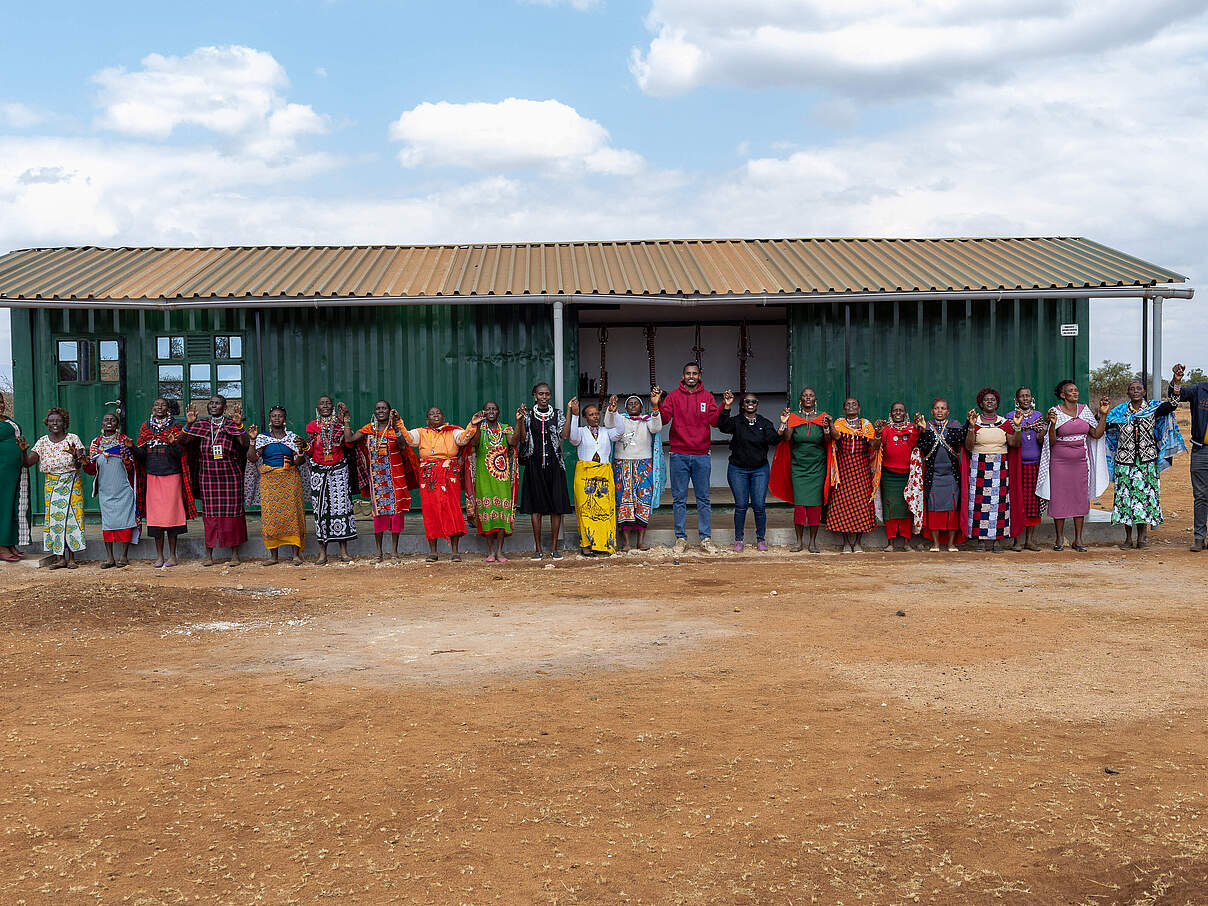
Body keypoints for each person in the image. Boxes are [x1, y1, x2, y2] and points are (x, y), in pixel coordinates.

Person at [1105, 379, 1184, 549]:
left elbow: (1172, 405)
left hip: (1147, 462)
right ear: (1128, 393)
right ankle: (1128, 538)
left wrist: (1177, 382)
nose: (1135, 391)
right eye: (1132, 389)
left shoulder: (1152, 409)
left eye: (1138, 388)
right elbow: (1104, 426)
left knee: (1144, 499)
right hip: (1124, 463)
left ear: (1144, 392)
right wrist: (1102, 414)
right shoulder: (1119, 411)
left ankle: (1141, 538)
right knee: (1125, 500)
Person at [1036, 380, 1109, 552]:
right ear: (1063, 395)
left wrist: (1103, 415)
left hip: (1081, 462)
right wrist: (1053, 425)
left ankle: (1078, 539)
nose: (1075, 393)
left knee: (1080, 498)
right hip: (1059, 463)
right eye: (1071, 391)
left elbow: (1096, 434)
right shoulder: (1055, 412)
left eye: (1076, 390)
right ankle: (1059, 539)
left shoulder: (1084, 411)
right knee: (1059, 498)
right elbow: (1050, 441)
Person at [401, 406, 482, 561]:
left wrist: (472, 424)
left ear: (443, 417)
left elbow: (464, 439)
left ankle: (455, 552)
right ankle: (433, 552)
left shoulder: (453, 431)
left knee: (452, 509)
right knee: (431, 511)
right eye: (432, 414)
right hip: (429, 476)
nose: (435, 415)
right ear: (427, 420)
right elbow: (409, 439)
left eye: (438, 413)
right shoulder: (421, 432)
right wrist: (399, 423)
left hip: (449, 474)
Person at [658, 362, 721, 554]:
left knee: (703, 499)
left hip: (702, 454)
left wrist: (724, 407)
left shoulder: (707, 397)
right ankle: (680, 538)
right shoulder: (674, 396)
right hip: (679, 454)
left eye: (694, 373)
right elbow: (664, 419)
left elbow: (714, 421)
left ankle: (705, 538)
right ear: (683, 376)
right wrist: (656, 404)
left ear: (699, 376)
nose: (691, 376)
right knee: (679, 499)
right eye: (688, 373)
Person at [181, 395, 250, 565]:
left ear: (224, 408)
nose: (213, 405)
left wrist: (239, 425)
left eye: (217, 403)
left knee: (233, 514)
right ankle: (209, 554)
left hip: (230, 476)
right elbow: (182, 441)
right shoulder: (202, 424)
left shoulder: (231, 424)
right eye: (211, 403)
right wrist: (188, 424)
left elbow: (245, 444)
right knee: (210, 515)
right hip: (208, 476)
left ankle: (235, 554)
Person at [351, 401, 418, 561]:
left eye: (384, 408)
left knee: (396, 514)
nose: (381, 411)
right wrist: (346, 418)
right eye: (378, 408)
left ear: (389, 411)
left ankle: (394, 552)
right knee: (378, 515)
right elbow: (350, 440)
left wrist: (396, 428)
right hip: (377, 480)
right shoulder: (368, 430)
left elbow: (403, 446)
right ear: (374, 412)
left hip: (394, 479)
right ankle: (379, 553)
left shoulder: (394, 430)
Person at [19, 407, 86, 568]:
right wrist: (23, 452)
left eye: (58, 420)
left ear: (64, 423)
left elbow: (80, 464)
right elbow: (27, 463)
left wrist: (75, 455)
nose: (55, 423)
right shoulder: (42, 442)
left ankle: (72, 558)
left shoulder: (73, 438)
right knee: (56, 519)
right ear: (47, 424)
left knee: (72, 518)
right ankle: (60, 558)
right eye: (51, 421)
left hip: (72, 482)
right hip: (52, 485)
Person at [133, 398, 196, 567]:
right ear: (152, 408)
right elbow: (141, 454)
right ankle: (159, 556)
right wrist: (132, 447)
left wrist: (174, 443)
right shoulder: (146, 427)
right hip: (152, 476)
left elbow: (180, 454)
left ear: (168, 409)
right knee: (156, 519)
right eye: (156, 405)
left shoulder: (175, 426)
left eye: (163, 405)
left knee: (171, 517)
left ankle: (173, 556)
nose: (159, 407)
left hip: (171, 476)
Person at [717, 390, 780, 552]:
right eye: (747, 401)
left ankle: (761, 539)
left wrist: (782, 426)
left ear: (757, 405)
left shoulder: (764, 423)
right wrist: (727, 406)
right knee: (741, 505)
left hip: (760, 470)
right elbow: (722, 426)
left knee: (759, 505)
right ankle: (739, 540)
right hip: (738, 469)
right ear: (742, 405)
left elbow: (774, 439)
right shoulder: (737, 421)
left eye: (754, 402)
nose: (750, 404)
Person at [770, 387, 831, 554]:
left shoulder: (822, 417)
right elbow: (787, 439)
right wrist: (785, 422)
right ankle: (798, 542)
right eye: (805, 395)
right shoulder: (794, 417)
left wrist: (827, 427)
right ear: (801, 400)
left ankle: (812, 542)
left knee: (815, 506)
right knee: (800, 506)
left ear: (815, 400)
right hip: (799, 468)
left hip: (817, 467)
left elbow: (827, 440)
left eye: (811, 395)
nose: (808, 398)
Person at [963, 388, 1024, 552]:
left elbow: (1015, 443)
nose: (989, 402)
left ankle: (997, 540)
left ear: (997, 403)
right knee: (979, 503)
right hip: (979, 466)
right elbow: (968, 446)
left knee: (999, 503)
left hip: (999, 466)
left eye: (993, 400)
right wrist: (971, 426)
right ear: (981, 403)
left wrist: (1018, 427)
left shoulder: (1005, 422)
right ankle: (981, 540)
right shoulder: (974, 421)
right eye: (986, 400)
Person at [246, 406, 308, 566]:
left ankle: (295, 555)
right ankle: (273, 556)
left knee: (293, 515)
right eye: (274, 416)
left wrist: (300, 450)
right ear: (270, 419)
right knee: (271, 517)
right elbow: (252, 458)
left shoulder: (292, 437)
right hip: (269, 481)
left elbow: (299, 462)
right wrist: (252, 441)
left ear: (284, 419)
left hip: (290, 479)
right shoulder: (262, 438)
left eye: (280, 416)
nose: (277, 418)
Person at [517, 382, 572, 560]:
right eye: (541, 394)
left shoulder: (557, 414)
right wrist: (520, 420)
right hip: (534, 465)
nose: (544, 397)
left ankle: (554, 548)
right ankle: (538, 549)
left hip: (555, 465)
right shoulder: (527, 415)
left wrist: (569, 412)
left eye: (547, 394)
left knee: (557, 507)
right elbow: (523, 439)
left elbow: (564, 435)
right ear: (535, 395)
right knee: (536, 508)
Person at [604, 392, 664, 552]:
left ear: (641, 407)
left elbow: (657, 427)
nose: (632, 406)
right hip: (622, 464)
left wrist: (655, 407)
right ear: (625, 407)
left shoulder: (647, 420)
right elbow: (608, 424)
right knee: (624, 501)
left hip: (644, 465)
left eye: (635, 403)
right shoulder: (620, 419)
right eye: (629, 404)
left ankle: (640, 542)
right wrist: (611, 410)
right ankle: (626, 543)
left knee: (643, 500)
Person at [565, 397, 624, 556]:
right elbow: (573, 439)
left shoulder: (606, 431)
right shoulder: (581, 432)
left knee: (604, 511)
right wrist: (574, 415)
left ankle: (603, 544)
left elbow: (620, 431)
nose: (595, 416)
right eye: (591, 415)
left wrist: (615, 412)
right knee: (586, 510)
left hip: (603, 475)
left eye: (597, 413)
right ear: (585, 418)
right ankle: (586, 545)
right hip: (585, 477)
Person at [305, 395, 357, 564]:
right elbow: (310, 451)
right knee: (320, 511)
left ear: (333, 407)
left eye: (328, 403)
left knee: (341, 509)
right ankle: (322, 553)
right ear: (317, 408)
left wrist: (346, 419)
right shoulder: (312, 426)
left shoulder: (340, 425)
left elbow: (349, 443)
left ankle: (344, 552)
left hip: (339, 471)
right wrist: (303, 446)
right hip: (319, 473)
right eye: (322, 404)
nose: (325, 406)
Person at [467, 400, 520, 563]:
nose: (491, 411)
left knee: (502, 513)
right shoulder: (480, 429)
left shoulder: (505, 428)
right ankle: (490, 551)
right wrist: (476, 425)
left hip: (502, 478)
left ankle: (500, 551)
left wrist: (518, 421)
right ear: (483, 412)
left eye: (494, 409)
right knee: (487, 513)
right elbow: (474, 443)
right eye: (488, 409)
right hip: (484, 477)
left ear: (498, 412)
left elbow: (513, 442)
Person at [825, 397, 880, 553]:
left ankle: (857, 543)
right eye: (848, 405)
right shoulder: (839, 423)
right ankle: (845, 543)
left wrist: (878, 434)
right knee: (842, 504)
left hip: (862, 470)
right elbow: (836, 436)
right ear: (844, 409)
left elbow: (875, 445)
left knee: (862, 505)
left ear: (859, 408)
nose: (851, 406)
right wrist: (830, 424)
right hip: (843, 470)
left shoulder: (866, 425)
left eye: (854, 404)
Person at [87, 412, 138, 568]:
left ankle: (124, 556)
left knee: (126, 521)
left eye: (113, 420)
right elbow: (91, 470)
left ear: (118, 424)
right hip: (105, 489)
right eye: (106, 419)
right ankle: (110, 558)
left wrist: (126, 459)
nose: (109, 422)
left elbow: (132, 466)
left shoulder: (124, 441)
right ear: (102, 424)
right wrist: (84, 463)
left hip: (123, 488)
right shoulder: (96, 443)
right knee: (107, 523)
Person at [916, 398, 967, 552]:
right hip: (933, 477)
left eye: (943, 408)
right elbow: (922, 446)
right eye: (937, 408)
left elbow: (963, 439)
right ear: (932, 411)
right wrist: (923, 430)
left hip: (951, 476)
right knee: (933, 509)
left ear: (948, 412)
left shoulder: (954, 426)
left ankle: (951, 544)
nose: (940, 411)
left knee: (953, 510)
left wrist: (968, 424)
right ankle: (936, 544)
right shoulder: (926, 426)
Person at [1169, 363, 1208, 551]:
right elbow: (1176, 396)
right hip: (1202, 450)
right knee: (1201, 495)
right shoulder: (1200, 389)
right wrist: (1176, 381)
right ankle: (1199, 538)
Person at [876, 402, 923, 552]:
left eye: (901, 410)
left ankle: (906, 543)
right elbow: (877, 445)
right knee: (890, 508)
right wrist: (878, 432)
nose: (897, 413)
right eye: (895, 410)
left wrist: (917, 428)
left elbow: (914, 443)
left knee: (907, 508)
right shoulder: (886, 430)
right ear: (891, 413)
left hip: (907, 476)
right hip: (889, 476)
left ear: (905, 413)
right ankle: (890, 543)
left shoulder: (911, 428)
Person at [1005, 387, 1047, 551]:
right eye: (1022, 396)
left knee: (1033, 503)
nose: (1025, 398)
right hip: (1016, 464)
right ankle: (1017, 541)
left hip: (1035, 464)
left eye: (1028, 396)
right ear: (1017, 400)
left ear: (1032, 398)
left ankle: (1029, 540)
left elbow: (1040, 439)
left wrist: (1045, 428)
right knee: (1017, 502)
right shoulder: (1010, 417)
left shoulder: (1038, 417)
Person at [0, 395, 31, 561]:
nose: (0, 405)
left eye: (1, 401)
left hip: (16, 470)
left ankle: (10, 542)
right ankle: (1, 546)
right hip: (2, 472)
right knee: (3, 506)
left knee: (14, 506)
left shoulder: (7, 420)